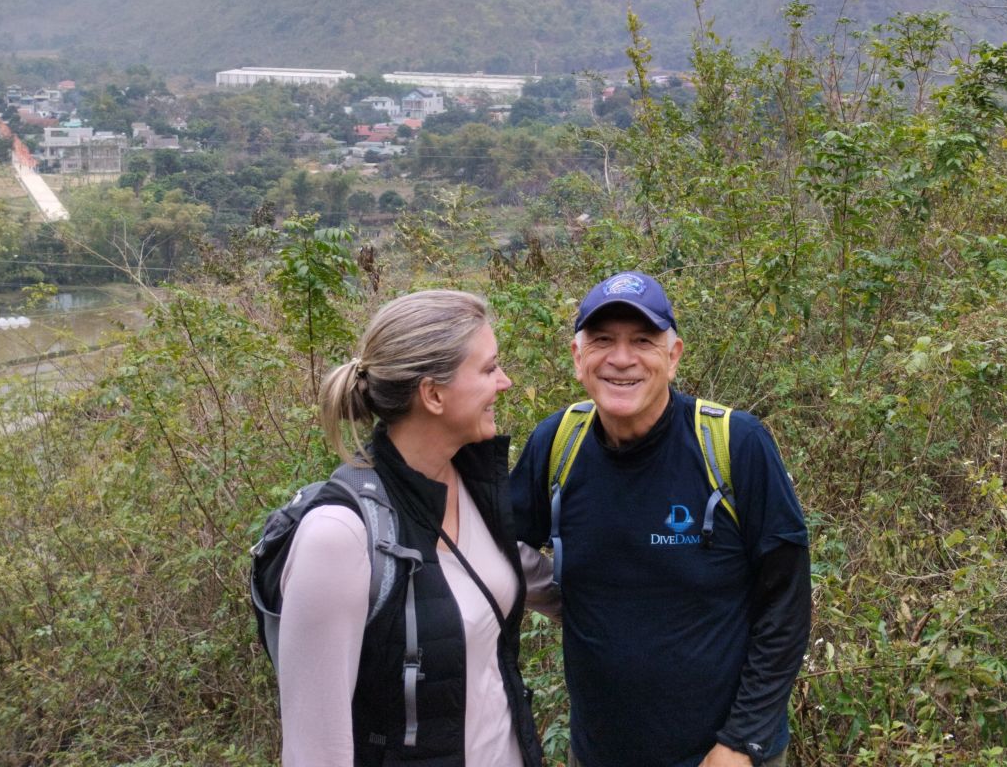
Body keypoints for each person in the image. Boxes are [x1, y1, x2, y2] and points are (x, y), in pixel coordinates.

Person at [512, 271, 811, 767]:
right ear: (577, 357)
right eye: (603, 340)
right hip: (601, 751)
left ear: (673, 358)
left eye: (643, 341)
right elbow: (495, 547)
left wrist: (742, 740)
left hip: (721, 754)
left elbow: (786, 602)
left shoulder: (734, 443)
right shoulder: (557, 443)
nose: (622, 359)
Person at [277, 289, 547, 767]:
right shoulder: (338, 537)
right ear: (433, 394)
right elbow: (315, 752)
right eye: (488, 369)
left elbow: (544, 583)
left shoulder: (474, 486)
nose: (504, 382)